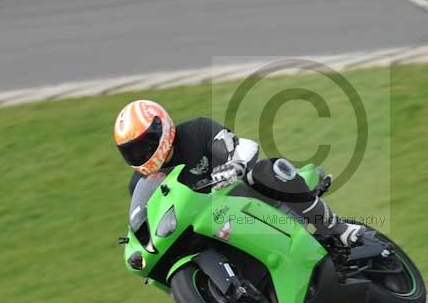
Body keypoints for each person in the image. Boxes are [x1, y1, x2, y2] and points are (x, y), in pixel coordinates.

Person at [113, 99, 365, 247]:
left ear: (162, 127)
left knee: (267, 170)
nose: (140, 154)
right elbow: (148, 221)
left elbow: (243, 145)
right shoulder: (140, 182)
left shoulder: (197, 131)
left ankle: (339, 230)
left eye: (145, 145)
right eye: (132, 151)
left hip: (244, 198)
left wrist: (234, 165)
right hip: (207, 226)